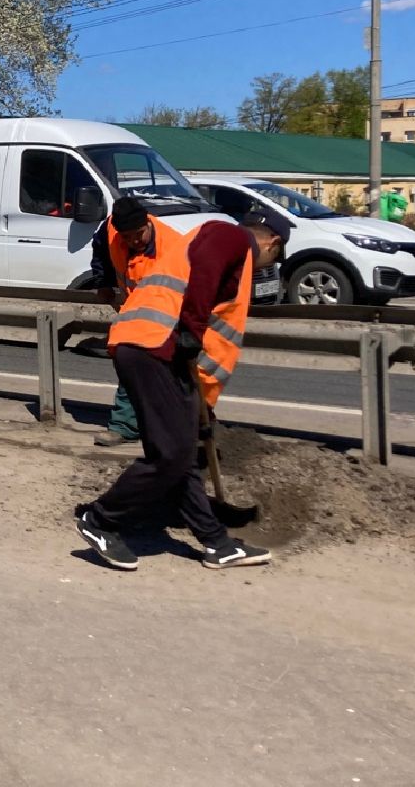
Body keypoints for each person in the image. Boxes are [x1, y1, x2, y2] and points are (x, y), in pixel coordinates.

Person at [74, 203, 291, 572]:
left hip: (160, 351)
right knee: (170, 456)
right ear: (272, 241)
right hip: (150, 346)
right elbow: (203, 272)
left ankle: (217, 543)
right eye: (277, 256)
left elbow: (213, 329)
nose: (270, 265)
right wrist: (191, 329)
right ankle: (99, 521)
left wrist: (200, 405)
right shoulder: (229, 235)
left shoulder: (221, 250)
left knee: (182, 455)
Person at [88, 197, 190, 447]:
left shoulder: (173, 247)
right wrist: (103, 281)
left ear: (147, 223)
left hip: (166, 314)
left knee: (166, 372)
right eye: (127, 237)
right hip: (133, 309)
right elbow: (101, 246)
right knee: (131, 366)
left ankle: (176, 427)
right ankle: (126, 425)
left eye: (138, 235)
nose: (133, 241)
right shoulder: (112, 228)